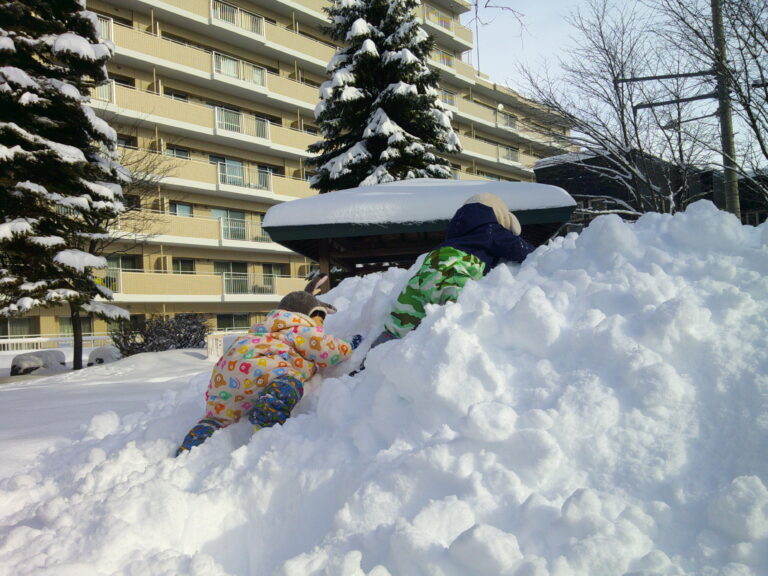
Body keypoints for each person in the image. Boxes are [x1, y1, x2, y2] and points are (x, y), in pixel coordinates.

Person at [176, 277, 361, 456]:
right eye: (319, 319)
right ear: (307, 315)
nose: (320, 325)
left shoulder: (262, 329)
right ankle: (267, 419)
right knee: (287, 383)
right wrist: (349, 344)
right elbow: (327, 350)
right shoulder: (299, 328)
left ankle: (195, 442)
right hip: (263, 369)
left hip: (225, 377)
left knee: (216, 418)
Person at [369, 192, 536, 350]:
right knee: (453, 318)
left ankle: (377, 353)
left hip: (430, 267)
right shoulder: (491, 230)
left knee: (404, 315)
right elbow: (519, 249)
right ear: (500, 216)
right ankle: (442, 352)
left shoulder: (455, 231)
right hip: (455, 273)